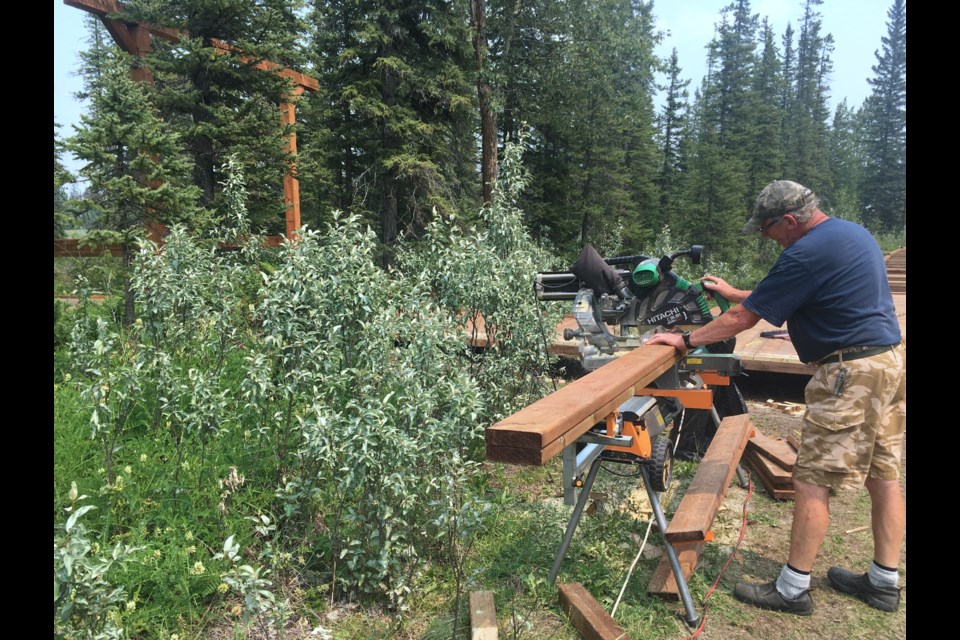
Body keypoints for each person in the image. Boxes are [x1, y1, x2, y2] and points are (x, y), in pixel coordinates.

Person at [647, 180, 905, 616]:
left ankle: (791, 589)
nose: (768, 239)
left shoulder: (803, 253)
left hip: (848, 374)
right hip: (887, 365)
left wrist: (684, 340)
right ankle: (883, 582)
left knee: (811, 481)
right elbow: (780, 298)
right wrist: (733, 293)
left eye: (767, 230)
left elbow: (744, 319)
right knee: (883, 475)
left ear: (788, 220)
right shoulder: (851, 234)